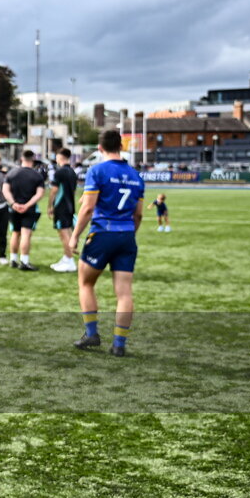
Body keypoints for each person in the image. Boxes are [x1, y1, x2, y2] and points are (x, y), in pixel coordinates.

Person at [67, 130, 144, 357]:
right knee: (124, 293)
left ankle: (92, 334)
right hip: (126, 235)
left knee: (86, 283)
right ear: (121, 146)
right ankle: (119, 344)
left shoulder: (97, 170)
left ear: (100, 148)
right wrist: (129, 233)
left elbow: (88, 208)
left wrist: (75, 236)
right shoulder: (135, 175)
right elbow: (138, 215)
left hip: (102, 234)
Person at [2, 150, 44, 271]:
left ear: (22, 158)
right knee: (26, 234)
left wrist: (13, 203)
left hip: (14, 208)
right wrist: (27, 205)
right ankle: (24, 261)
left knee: (15, 233)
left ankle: (13, 259)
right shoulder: (37, 175)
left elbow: (5, 190)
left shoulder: (11, 173)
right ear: (33, 159)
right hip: (29, 209)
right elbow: (39, 194)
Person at [48, 148, 79, 272]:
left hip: (61, 207)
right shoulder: (72, 172)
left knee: (64, 234)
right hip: (70, 206)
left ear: (59, 157)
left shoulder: (59, 172)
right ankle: (66, 258)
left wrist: (50, 205)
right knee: (68, 232)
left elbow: (54, 190)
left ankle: (70, 261)